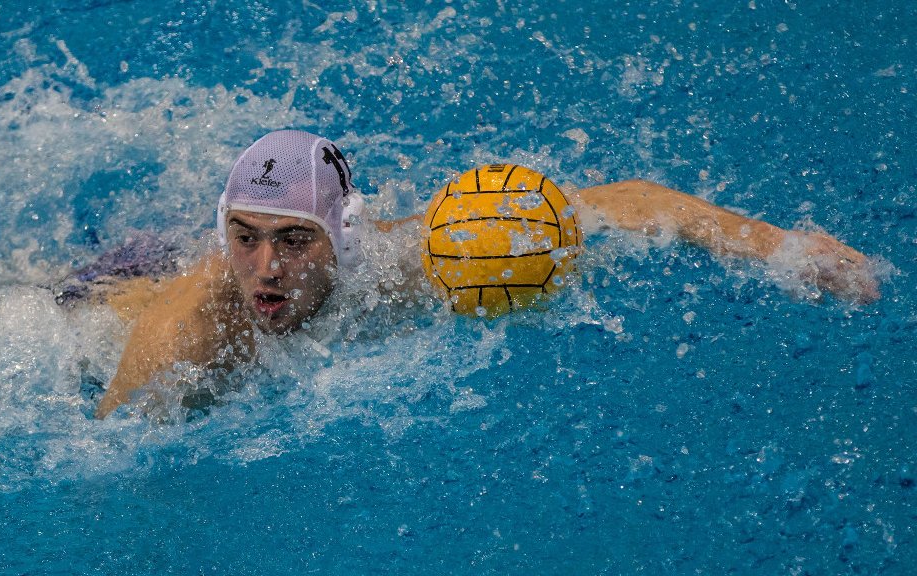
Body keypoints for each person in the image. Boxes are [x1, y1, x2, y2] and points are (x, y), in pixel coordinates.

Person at [91, 129, 879, 419]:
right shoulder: (182, 335)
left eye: (295, 240)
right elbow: (101, 455)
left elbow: (626, 204)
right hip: (98, 301)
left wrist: (781, 246)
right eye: (245, 238)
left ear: (343, 235)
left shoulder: (408, 258)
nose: (265, 268)